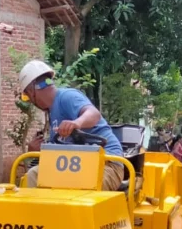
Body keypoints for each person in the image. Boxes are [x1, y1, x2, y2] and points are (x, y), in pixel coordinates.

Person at [17, 60, 124, 190]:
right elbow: (59, 155)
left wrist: (76, 123)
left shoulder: (67, 97)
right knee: (32, 177)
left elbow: (93, 114)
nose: (30, 102)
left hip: (106, 163)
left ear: (32, 89)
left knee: (82, 190)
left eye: (27, 97)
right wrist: (37, 151)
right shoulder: (52, 113)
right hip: (75, 168)